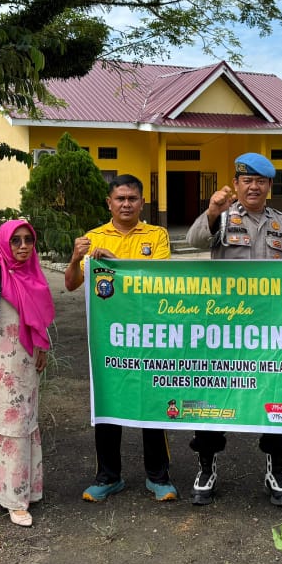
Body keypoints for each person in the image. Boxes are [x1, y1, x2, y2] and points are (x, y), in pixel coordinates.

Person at [184, 152, 282, 507]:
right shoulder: (224, 217)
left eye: (261, 181)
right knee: (214, 395)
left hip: (271, 330)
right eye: (247, 180)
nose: (254, 186)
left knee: (278, 393)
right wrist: (213, 211)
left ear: (269, 186)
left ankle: (275, 467)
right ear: (237, 182)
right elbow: (195, 241)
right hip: (226, 329)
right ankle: (206, 464)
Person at [65, 174, 179, 503]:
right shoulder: (93, 237)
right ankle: (108, 477)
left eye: (132, 199)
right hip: (109, 338)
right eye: (120, 199)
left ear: (142, 203)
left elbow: (162, 281)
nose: (126, 204)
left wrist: (118, 266)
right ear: (109, 203)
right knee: (108, 405)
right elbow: (72, 284)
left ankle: (158, 477)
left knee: (152, 403)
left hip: (149, 334)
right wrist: (76, 258)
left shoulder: (156, 236)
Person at [0, 219, 54, 526]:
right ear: (5, 242)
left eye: (27, 240)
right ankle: (12, 501)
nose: (22, 247)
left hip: (26, 364)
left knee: (23, 425)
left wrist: (43, 346)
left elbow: (40, 318)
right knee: (3, 427)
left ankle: (23, 492)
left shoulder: (35, 275)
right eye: (15, 241)